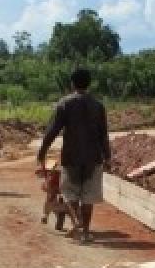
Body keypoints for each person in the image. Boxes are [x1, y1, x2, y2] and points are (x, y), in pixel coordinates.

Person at [36, 68, 111, 244]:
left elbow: (52, 131)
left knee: (68, 191)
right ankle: (85, 232)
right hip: (93, 157)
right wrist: (107, 156)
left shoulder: (65, 104)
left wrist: (42, 153)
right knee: (88, 196)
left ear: (72, 83)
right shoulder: (98, 106)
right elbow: (103, 134)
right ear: (89, 83)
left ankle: (76, 220)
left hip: (72, 156)